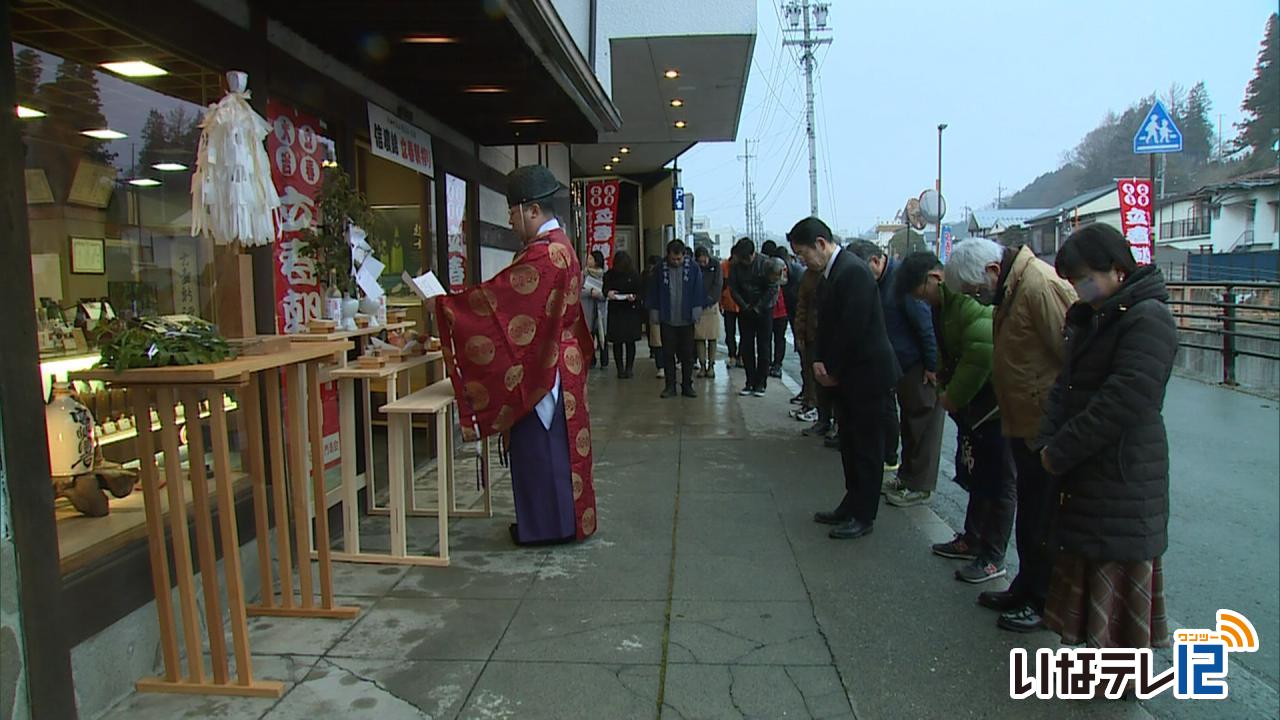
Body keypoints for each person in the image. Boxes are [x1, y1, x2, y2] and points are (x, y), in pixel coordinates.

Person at [432, 164, 596, 545]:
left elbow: (499, 300)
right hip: (558, 357)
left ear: (532, 210)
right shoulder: (559, 248)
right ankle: (553, 524)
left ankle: (548, 529)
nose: (509, 219)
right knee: (552, 447)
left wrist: (445, 307)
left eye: (512, 211)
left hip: (547, 364)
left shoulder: (545, 255)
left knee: (544, 449)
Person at [1039, 224, 1177, 649]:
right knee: (1089, 569)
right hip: (1089, 468)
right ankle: (1091, 666)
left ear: (1117, 270)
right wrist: (1049, 436)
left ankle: (1117, 680)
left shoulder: (1147, 317)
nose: (1079, 288)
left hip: (1122, 470)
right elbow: (1065, 385)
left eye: (1084, 278)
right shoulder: (1095, 316)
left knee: (1115, 573)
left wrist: (1059, 449)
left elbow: (1124, 399)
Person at [945, 237, 1075, 632]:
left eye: (975, 290)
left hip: (1044, 424)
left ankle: (1043, 600)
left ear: (992, 272)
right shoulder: (1014, 287)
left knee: (1043, 519)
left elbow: (1072, 358)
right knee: (1030, 514)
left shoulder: (1038, 286)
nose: (977, 298)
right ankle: (1027, 585)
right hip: (1022, 421)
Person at [899, 252, 1015, 585]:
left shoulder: (965, 302)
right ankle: (972, 538)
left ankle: (993, 556)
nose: (920, 299)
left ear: (935, 277)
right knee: (978, 474)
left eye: (921, 291)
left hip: (994, 404)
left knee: (1001, 482)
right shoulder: (943, 306)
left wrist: (952, 396)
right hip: (975, 406)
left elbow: (980, 353)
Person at [789, 217, 901, 541]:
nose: (802, 261)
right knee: (849, 445)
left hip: (867, 375)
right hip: (848, 375)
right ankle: (850, 503)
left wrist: (831, 367)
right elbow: (826, 324)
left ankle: (864, 514)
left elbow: (853, 326)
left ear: (820, 244)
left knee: (866, 448)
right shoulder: (830, 272)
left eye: (802, 254)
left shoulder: (852, 271)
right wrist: (820, 360)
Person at [847, 241, 942, 509]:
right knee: (910, 426)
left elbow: (925, 327)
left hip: (918, 368)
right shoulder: (880, 283)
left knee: (923, 427)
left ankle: (919, 486)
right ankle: (906, 478)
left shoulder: (904, 282)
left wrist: (932, 366)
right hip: (899, 366)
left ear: (876, 261)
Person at [647, 240, 705, 398]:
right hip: (668, 319)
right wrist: (654, 311)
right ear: (668, 255)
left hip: (686, 319)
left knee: (687, 355)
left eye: (679, 259)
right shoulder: (660, 268)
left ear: (684, 255)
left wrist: (697, 310)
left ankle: (687, 385)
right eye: (673, 259)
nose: (676, 262)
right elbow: (653, 291)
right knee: (668, 354)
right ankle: (670, 386)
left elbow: (698, 289)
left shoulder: (693, 268)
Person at [728, 238, 781, 397]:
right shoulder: (736, 266)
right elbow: (733, 288)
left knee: (764, 346)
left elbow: (773, 288)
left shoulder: (766, 263)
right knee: (746, 345)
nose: (744, 262)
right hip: (745, 309)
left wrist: (759, 307)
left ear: (753, 254)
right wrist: (744, 306)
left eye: (746, 258)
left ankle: (761, 383)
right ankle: (749, 381)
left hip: (764, 310)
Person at [794, 262, 831, 436]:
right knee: (814, 375)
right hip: (812, 333)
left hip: (830, 334)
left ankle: (832, 421)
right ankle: (820, 416)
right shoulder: (808, 276)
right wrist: (800, 333)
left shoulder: (837, 273)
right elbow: (802, 306)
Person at [604, 250, 643, 378]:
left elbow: (641, 292)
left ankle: (629, 368)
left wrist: (635, 297)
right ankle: (620, 368)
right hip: (616, 310)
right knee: (617, 341)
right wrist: (608, 293)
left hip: (630, 310)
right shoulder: (610, 274)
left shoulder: (634, 274)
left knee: (630, 341)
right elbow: (605, 289)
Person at [694, 247, 724, 378]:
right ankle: (702, 365)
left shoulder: (716, 265)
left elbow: (718, 284)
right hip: (698, 305)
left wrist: (710, 299)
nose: (703, 263)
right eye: (700, 261)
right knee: (699, 337)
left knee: (712, 337)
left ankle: (711, 365)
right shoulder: (694, 267)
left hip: (712, 305)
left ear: (708, 257)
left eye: (704, 260)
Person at [581, 250, 608, 369]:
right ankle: (591, 359)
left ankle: (604, 359)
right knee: (589, 334)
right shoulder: (583, 275)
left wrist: (600, 294)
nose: (588, 261)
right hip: (587, 307)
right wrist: (589, 292)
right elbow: (578, 291)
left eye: (591, 259)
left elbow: (608, 292)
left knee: (602, 333)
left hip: (601, 309)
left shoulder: (605, 275)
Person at [642, 254, 665, 380]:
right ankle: (660, 365)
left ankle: (662, 365)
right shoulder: (649, 276)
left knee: (662, 340)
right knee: (657, 340)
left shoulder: (651, 275)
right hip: (655, 310)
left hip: (664, 312)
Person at [721, 253, 741, 369]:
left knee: (745, 332)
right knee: (729, 331)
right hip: (728, 303)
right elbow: (720, 285)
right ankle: (732, 355)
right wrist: (720, 302)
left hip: (742, 304)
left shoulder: (743, 266)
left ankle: (741, 356)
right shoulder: (723, 266)